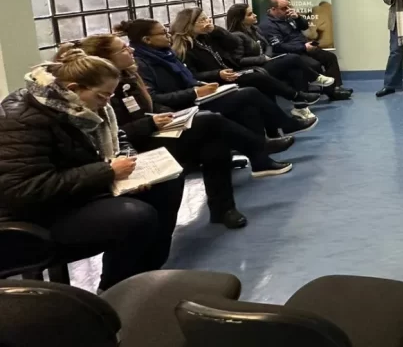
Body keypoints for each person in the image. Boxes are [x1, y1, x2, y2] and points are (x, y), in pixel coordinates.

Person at [57, 37, 296, 228]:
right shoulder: (100, 92)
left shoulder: (131, 74)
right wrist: (154, 122)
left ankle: (225, 208)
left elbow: (151, 105)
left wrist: (166, 115)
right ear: (105, 58)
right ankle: (259, 149)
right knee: (214, 121)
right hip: (138, 144)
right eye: (122, 49)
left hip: (158, 128)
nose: (130, 50)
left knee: (214, 137)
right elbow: (117, 134)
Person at [0, 53, 182, 290]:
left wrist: (127, 160)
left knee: (167, 185)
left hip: (70, 194)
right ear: (74, 88)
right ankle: (116, 288)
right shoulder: (22, 120)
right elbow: (22, 190)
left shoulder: (75, 107)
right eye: (102, 95)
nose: (106, 103)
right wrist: (106, 172)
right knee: (137, 216)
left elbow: (118, 138)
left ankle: (145, 272)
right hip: (32, 215)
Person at [118, 18, 313, 140]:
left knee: (252, 94)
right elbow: (155, 98)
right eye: (163, 33)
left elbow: (232, 45)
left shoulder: (174, 51)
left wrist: (215, 31)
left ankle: (264, 148)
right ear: (147, 40)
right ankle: (284, 119)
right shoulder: (152, 60)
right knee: (252, 89)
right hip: (186, 103)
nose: (168, 35)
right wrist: (199, 87)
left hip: (206, 88)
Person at [170, 8, 322, 122]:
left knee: (280, 71)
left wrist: (216, 29)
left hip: (230, 74)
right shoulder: (183, 48)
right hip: (215, 82)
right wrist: (217, 74)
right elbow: (191, 75)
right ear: (189, 25)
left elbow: (232, 43)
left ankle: (281, 125)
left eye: (207, 19)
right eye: (202, 20)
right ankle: (295, 103)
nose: (207, 23)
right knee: (259, 79)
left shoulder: (207, 37)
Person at [225, 3, 336, 97]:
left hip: (269, 59)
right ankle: (315, 79)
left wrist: (297, 17)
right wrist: (262, 58)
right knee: (294, 58)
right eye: (250, 14)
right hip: (256, 67)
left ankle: (302, 104)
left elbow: (268, 45)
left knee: (298, 70)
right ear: (240, 19)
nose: (255, 15)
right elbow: (238, 61)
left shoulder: (255, 29)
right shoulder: (237, 36)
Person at [260, 0, 352, 101]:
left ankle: (336, 87)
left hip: (303, 47)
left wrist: (298, 18)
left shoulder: (288, 17)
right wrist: (303, 47)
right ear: (273, 9)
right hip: (291, 53)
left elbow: (304, 27)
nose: (288, 10)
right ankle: (331, 92)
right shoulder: (268, 25)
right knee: (315, 64)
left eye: (289, 6)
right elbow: (278, 47)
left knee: (330, 57)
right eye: (284, 8)